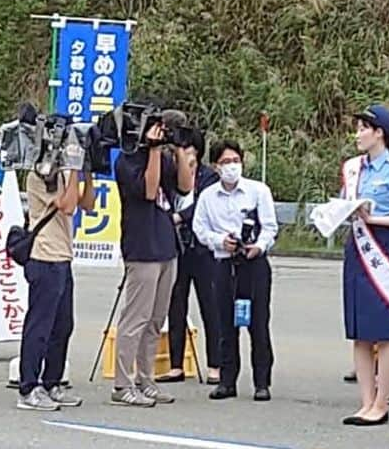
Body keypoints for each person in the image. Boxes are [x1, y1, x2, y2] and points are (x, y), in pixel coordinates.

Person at [340, 104, 389, 425]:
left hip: (384, 248)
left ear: (379, 133)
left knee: (385, 332)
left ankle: (382, 403)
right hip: (356, 249)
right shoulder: (352, 168)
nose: (358, 134)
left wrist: (377, 219)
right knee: (360, 332)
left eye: (363, 128)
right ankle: (366, 401)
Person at [113, 110, 195, 407]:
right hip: (141, 247)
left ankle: (145, 378)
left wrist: (180, 149)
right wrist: (154, 150)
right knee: (135, 318)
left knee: (155, 320)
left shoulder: (167, 157)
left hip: (166, 246)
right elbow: (149, 191)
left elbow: (186, 187)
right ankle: (122, 384)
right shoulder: (127, 159)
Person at [193, 140, 278, 401]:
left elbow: (270, 227)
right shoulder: (208, 196)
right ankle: (227, 381)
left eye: (235, 161)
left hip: (253, 264)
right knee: (225, 323)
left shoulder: (257, 191)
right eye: (226, 162)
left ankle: (261, 382)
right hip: (222, 263)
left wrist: (259, 246)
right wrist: (220, 241)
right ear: (216, 167)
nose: (231, 167)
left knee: (258, 323)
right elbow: (200, 229)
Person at [16, 153, 95, 411]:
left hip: (62, 257)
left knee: (63, 325)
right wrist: (73, 170)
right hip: (43, 256)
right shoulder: (40, 172)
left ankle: (52, 382)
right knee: (40, 326)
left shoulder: (63, 172)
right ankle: (28, 387)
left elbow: (88, 205)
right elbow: (68, 205)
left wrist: (88, 172)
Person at [159, 125, 220, 385]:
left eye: (190, 151)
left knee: (211, 306)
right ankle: (176, 364)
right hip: (176, 247)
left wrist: (179, 217)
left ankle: (215, 365)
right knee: (176, 305)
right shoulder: (171, 175)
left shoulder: (209, 177)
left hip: (203, 250)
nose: (187, 157)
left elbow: (202, 206)